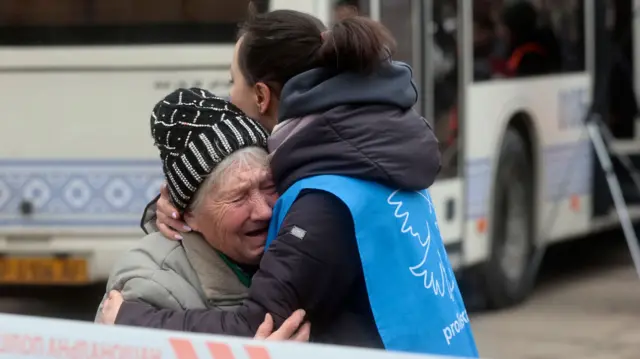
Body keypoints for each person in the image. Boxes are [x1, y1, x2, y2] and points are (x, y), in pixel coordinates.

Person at [102, 9, 478, 357]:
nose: (230, 97)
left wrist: (130, 322)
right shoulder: (368, 148)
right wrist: (177, 202)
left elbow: (256, 328)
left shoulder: (325, 195)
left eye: (233, 82)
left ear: (262, 96)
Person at [96, 88, 309, 342]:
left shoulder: (299, 243)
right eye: (238, 197)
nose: (264, 210)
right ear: (188, 215)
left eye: (268, 186)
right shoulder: (148, 286)